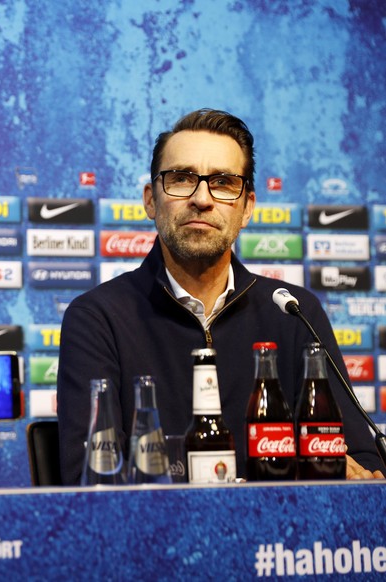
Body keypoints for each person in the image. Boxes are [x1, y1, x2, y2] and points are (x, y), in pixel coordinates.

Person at [57, 109, 385, 484]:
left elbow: (359, 459)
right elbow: (88, 478)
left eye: (224, 183)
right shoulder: (97, 318)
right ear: (151, 200)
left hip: (281, 540)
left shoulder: (295, 313)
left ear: (247, 207)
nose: (202, 198)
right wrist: (287, 465)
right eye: (181, 179)